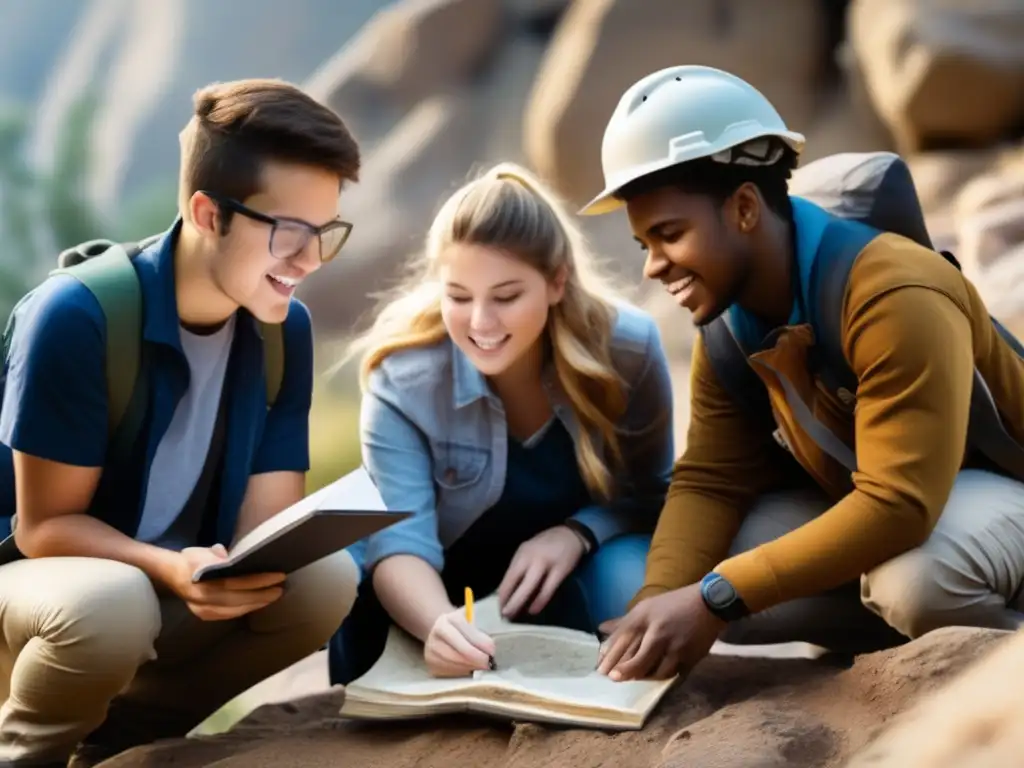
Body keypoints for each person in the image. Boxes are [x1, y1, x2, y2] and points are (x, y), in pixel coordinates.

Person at [580, 65, 1024, 682]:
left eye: (669, 235)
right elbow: (712, 480)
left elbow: (898, 503)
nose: (654, 267)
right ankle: (888, 641)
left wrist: (716, 597)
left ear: (741, 208)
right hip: (901, 502)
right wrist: (656, 601)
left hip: (993, 491)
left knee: (918, 583)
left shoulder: (893, 291)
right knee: (692, 575)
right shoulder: (729, 321)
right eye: (643, 244)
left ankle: (1001, 675)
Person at [0, 78, 362, 767]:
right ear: (206, 212)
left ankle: (119, 748)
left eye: (325, 234)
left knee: (324, 581)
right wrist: (168, 567)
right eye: (288, 232)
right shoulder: (76, 318)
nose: (309, 261)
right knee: (114, 605)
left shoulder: (285, 332)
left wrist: (270, 551)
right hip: (34, 597)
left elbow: (267, 528)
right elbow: (42, 530)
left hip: (151, 594)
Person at [327, 161, 674, 685]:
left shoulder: (629, 350)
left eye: (507, 296)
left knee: (629, 583)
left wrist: (579, 532)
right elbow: (402, 544)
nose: (482, 324)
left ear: (556, 282)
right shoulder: (401, 379)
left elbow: (657, 496)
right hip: (428, 591)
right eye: (459, 297)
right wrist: (438, 626)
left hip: (564, 579)